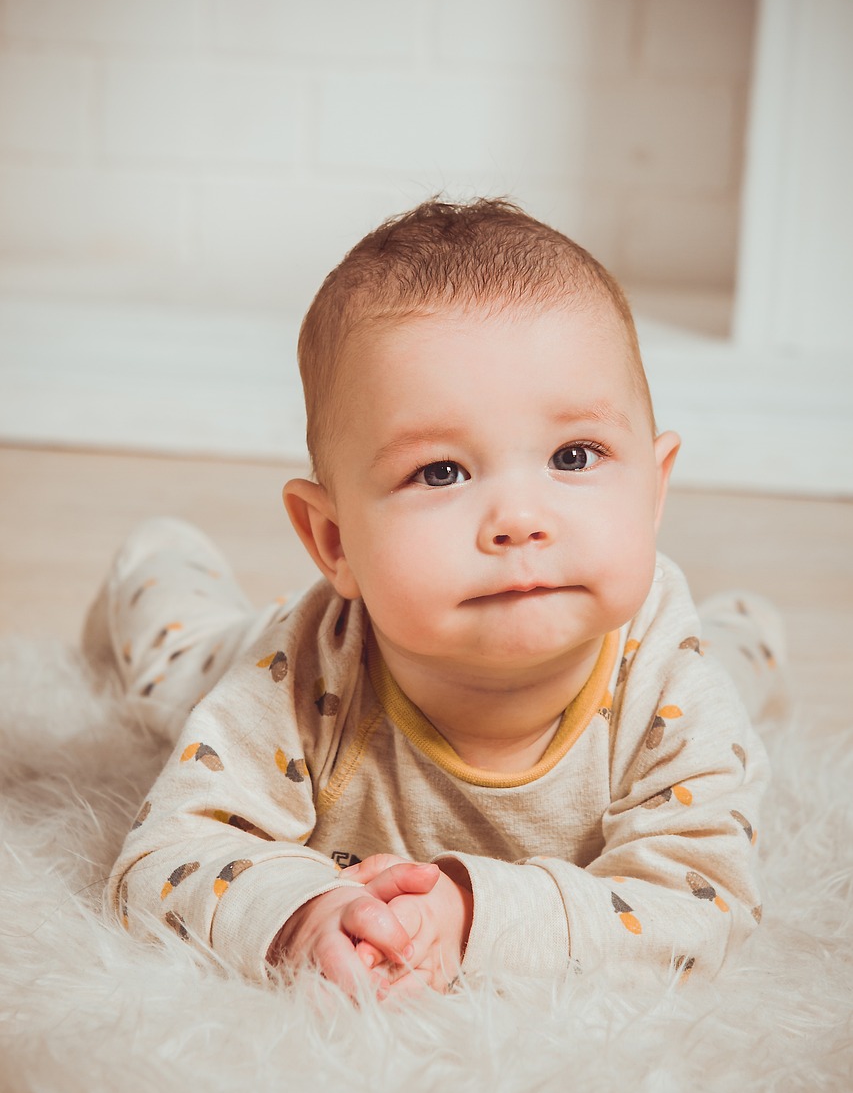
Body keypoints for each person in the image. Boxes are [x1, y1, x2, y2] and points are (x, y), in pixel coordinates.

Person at [91, 199, 783, 999]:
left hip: (668, 656)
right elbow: (164, 858)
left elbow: (698, 907)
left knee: (723, 690)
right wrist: (299, 912)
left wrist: (473, 917)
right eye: (440, 472)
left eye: (574, 454)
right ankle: (162, 554)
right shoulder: (295, 676)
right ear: (335, 542)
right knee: (172, 671)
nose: (520, 520)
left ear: (653, 492)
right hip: (262, 645)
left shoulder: (668, 683)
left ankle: (745, 632)